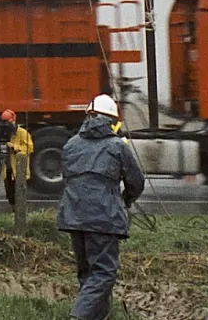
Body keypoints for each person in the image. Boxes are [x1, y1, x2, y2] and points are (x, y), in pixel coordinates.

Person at [57, 94, 145, 320]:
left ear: (88, 116)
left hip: (73, 215)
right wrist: (125, 200)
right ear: (112, 121)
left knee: (87, 273)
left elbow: (69, 178)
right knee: (104, 273)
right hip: (103, 218)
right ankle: (79, 316)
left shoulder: (70, 144)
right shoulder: (117, 146)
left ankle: (99, 316)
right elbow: (136, 182)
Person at [0, 108, 36, 208]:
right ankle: (13, 209)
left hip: (19, 170)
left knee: (19, 194)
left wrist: (14, 147)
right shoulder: (0, 132)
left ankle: (20, 213)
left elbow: (29, 148)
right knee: (10, 194)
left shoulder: (22, 133)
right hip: (7, 170)